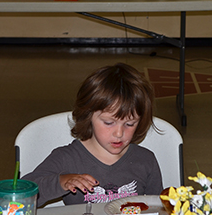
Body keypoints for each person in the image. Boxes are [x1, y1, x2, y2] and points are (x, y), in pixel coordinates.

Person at [22, 63, 163, 207]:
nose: (119, 133)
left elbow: (159, 209)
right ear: (88, 116)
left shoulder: (146, 160)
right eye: (109, 123)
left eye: (130, 124)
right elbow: (22, 195)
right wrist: (61, 181)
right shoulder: (67, 158)